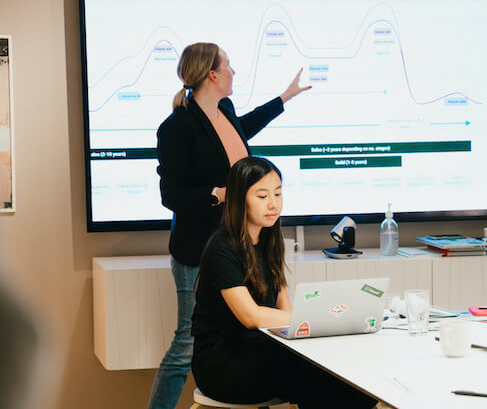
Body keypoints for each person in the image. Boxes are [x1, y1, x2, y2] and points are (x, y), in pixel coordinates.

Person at [148, 42, 310, 409]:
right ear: (212, 74)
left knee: (246, 334)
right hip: (198, 249)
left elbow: (244, 127)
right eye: (229, 66)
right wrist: (219, 194)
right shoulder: (177, 127)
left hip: (239, 244)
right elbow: (170, 195)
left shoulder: (225, 109)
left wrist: (285, 97)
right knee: (186, 342)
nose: (234, 72)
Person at [191, 156, 378, 408]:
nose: (273, 204)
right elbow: (252, 316)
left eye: (278, 194)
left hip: (261, 350)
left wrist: (318, 323)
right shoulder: (221, 247)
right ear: (239, 199)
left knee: (329, 367)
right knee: (316, 377)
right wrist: (317, 317)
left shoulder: (271, 241)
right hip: (223, 362)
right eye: (262, 196)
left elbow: (285, 311)